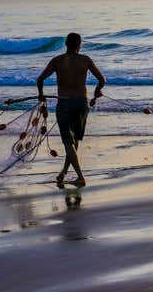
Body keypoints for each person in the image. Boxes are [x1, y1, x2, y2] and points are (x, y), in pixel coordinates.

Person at [37, 33, 105, 191]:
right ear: (79, 44)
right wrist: (96, 92)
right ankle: (64, 173)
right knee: (74, 142)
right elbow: (102, 80)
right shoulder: (85, 60)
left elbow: (40, 79)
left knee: (68, 142)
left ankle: (80, 177)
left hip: (65, 103)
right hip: (82, 103)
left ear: (66, 44)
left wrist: (41, 95)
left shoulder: (57, 60)